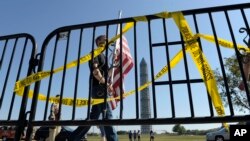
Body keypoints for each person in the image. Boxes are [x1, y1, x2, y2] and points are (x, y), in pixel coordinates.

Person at [69, 35, 118, 141]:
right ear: (98, 42)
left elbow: (108, 74)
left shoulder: (104, 56)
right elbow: (95, 71)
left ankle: (73, 137)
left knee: (93, 117)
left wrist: (113, 64)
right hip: (98, 88)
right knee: (107, 115)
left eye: (107, 39)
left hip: (100, 87)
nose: (106, 41)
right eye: (104, 39)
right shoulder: (95, 53)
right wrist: (105, 84)